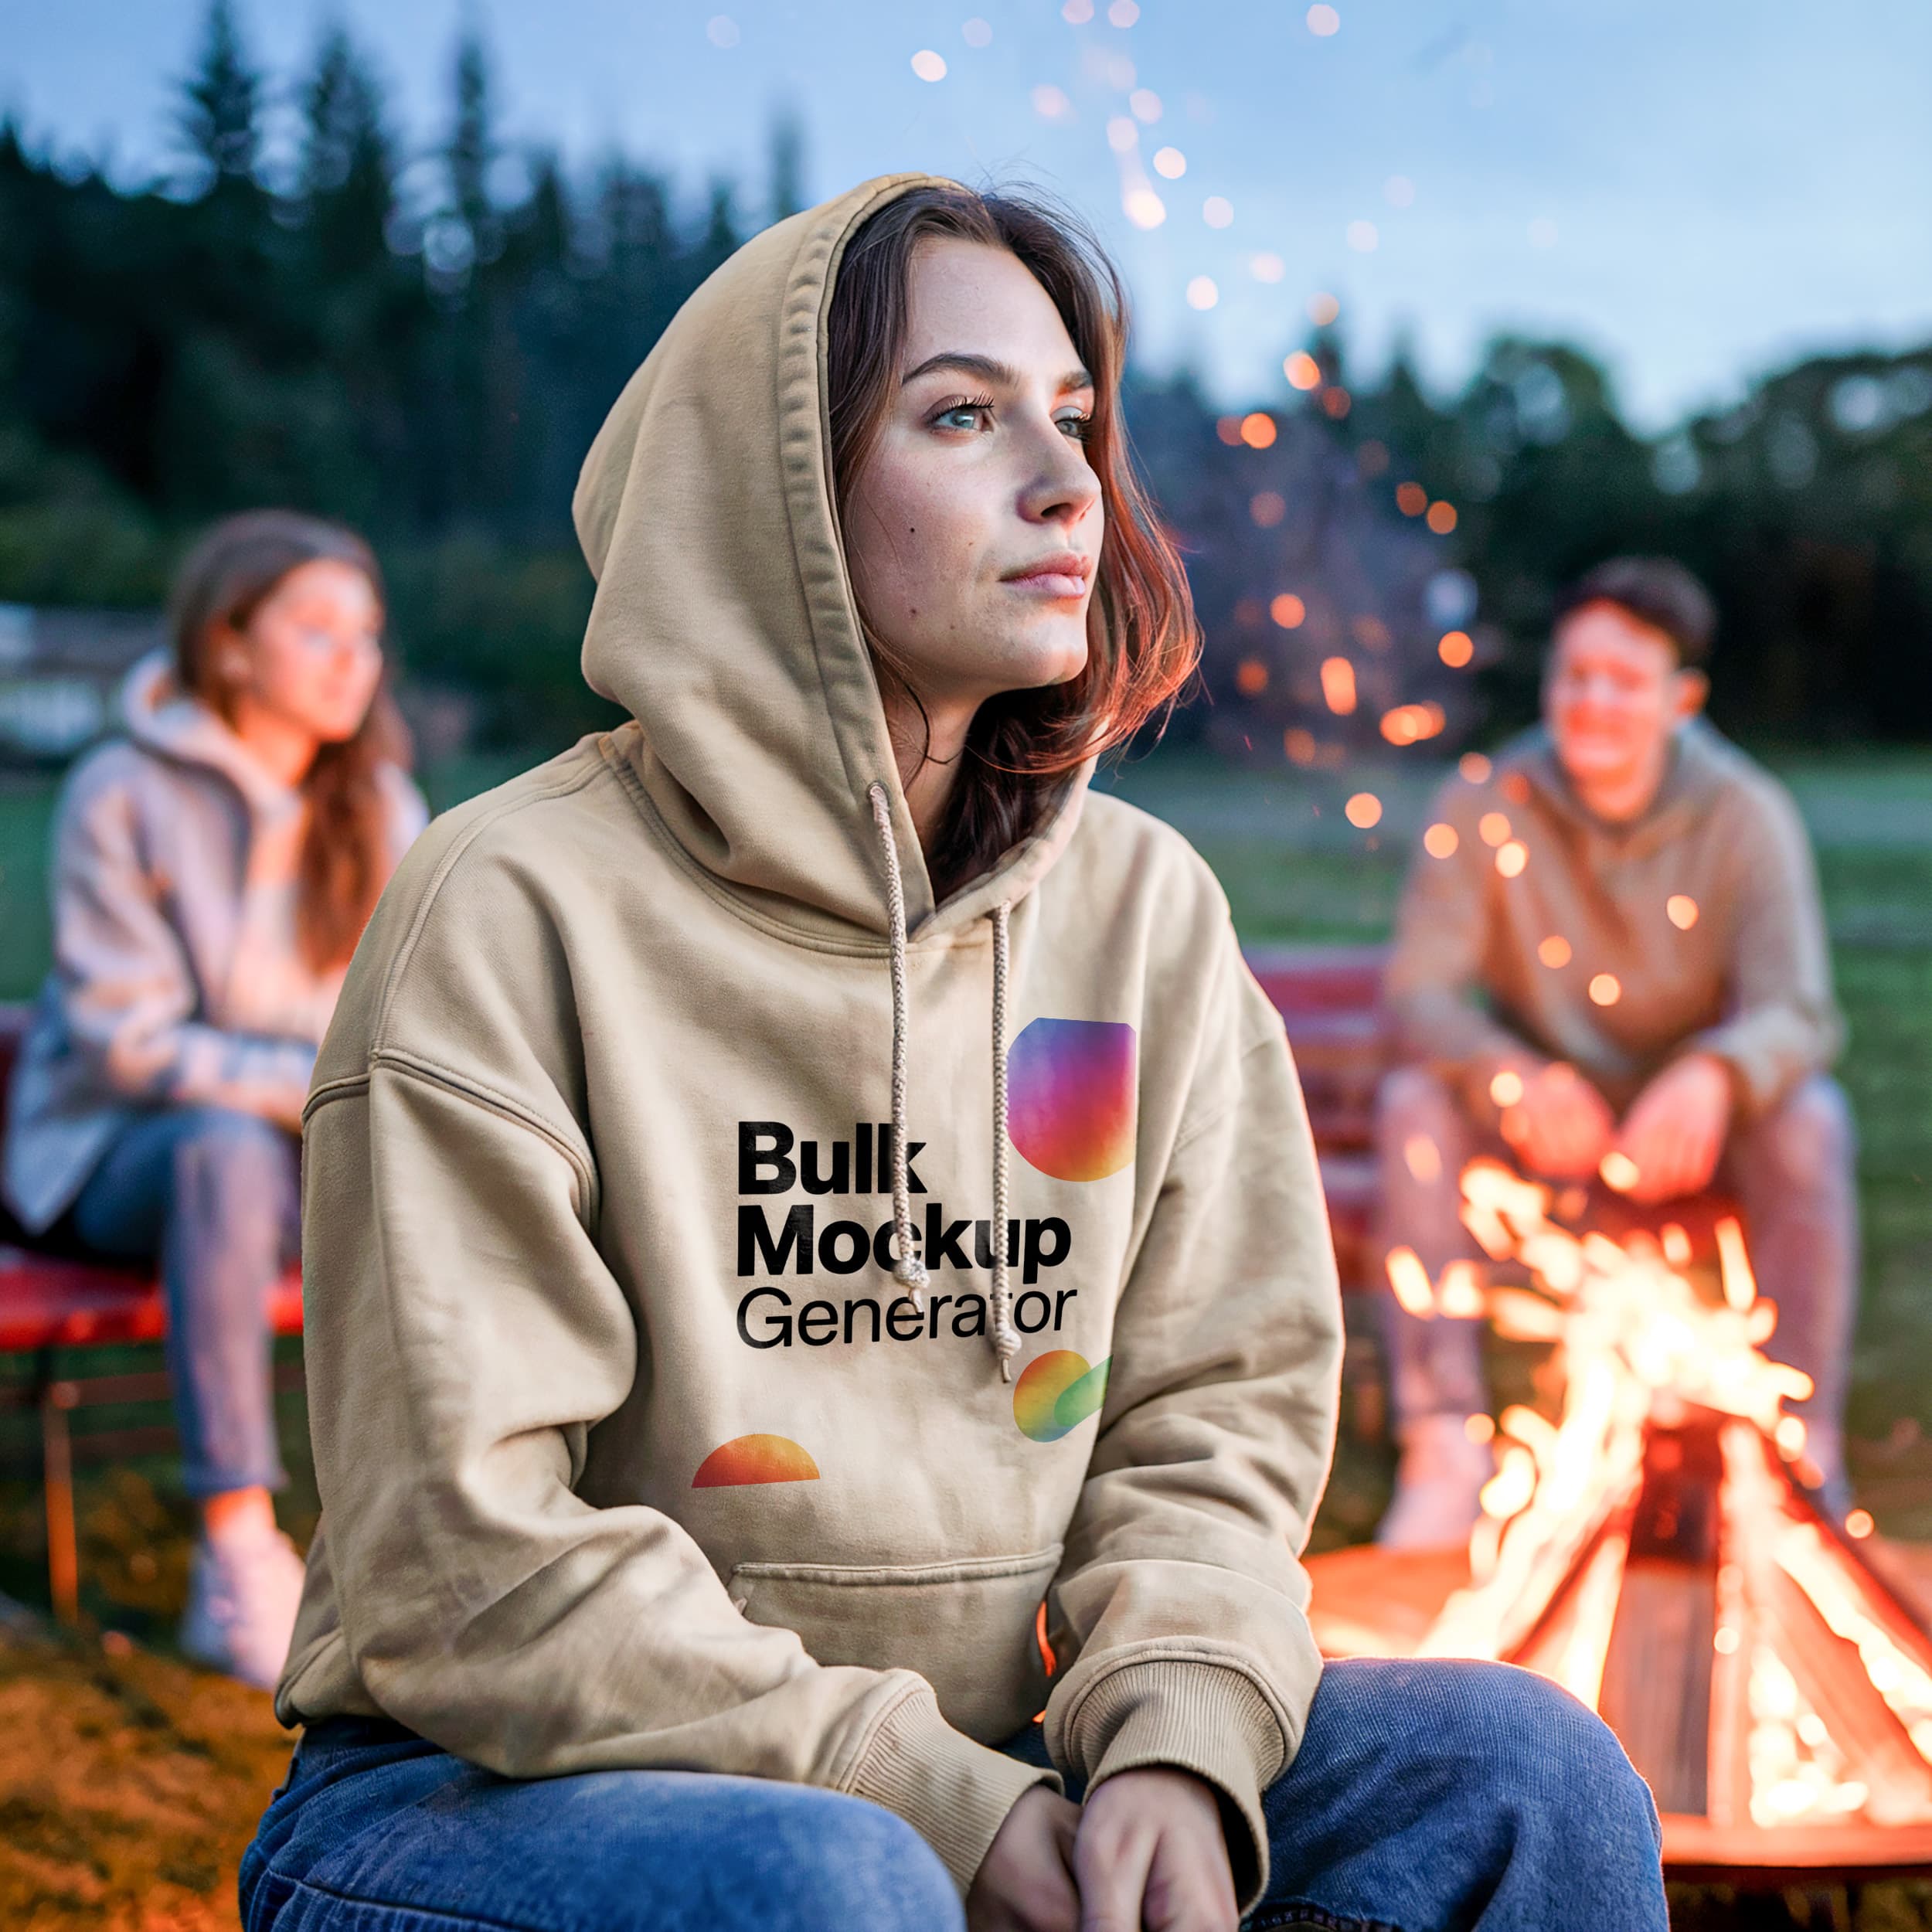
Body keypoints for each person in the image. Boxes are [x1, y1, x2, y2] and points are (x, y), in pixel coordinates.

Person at [241, 178, 1667, 1932]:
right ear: (772, 492)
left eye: (1072, 419)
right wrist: (928, 1799)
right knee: (838, 1879)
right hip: (487, 1789)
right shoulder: (509, 907)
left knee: (1528, 1782)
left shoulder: (1144, 913)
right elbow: (459, 1561)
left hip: (1010, 1746)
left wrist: (1170, 1738)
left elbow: (1211, 1421)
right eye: (963, 415)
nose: (1068, 481)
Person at [3, 511, 427, 1684]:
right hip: (117, 1159)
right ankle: (236, 1547)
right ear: (231, 644)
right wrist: (307, 1089)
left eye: (370, 633)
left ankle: (450, 1544)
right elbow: (121, 1042)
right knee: (221, 1151)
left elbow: (408, 1019)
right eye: (319, 629)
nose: (357, 659)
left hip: (306, 1157)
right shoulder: (119, 791)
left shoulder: (383, 807)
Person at [1376, 556, 1854, 1548]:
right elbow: (1418, 993)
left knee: (1812, 1121)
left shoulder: (1743, 814)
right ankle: (1443, 1444)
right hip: (1537, 1124)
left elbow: (1800, 1010)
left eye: (1625, 681)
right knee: (1415, 1108)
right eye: (1573, 675)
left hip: (1686, 1131)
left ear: (1683, 698)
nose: (1591, 701)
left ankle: (1802, 1442)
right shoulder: (1485, 800)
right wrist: (1508, 1074)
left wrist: (1716, 1074)